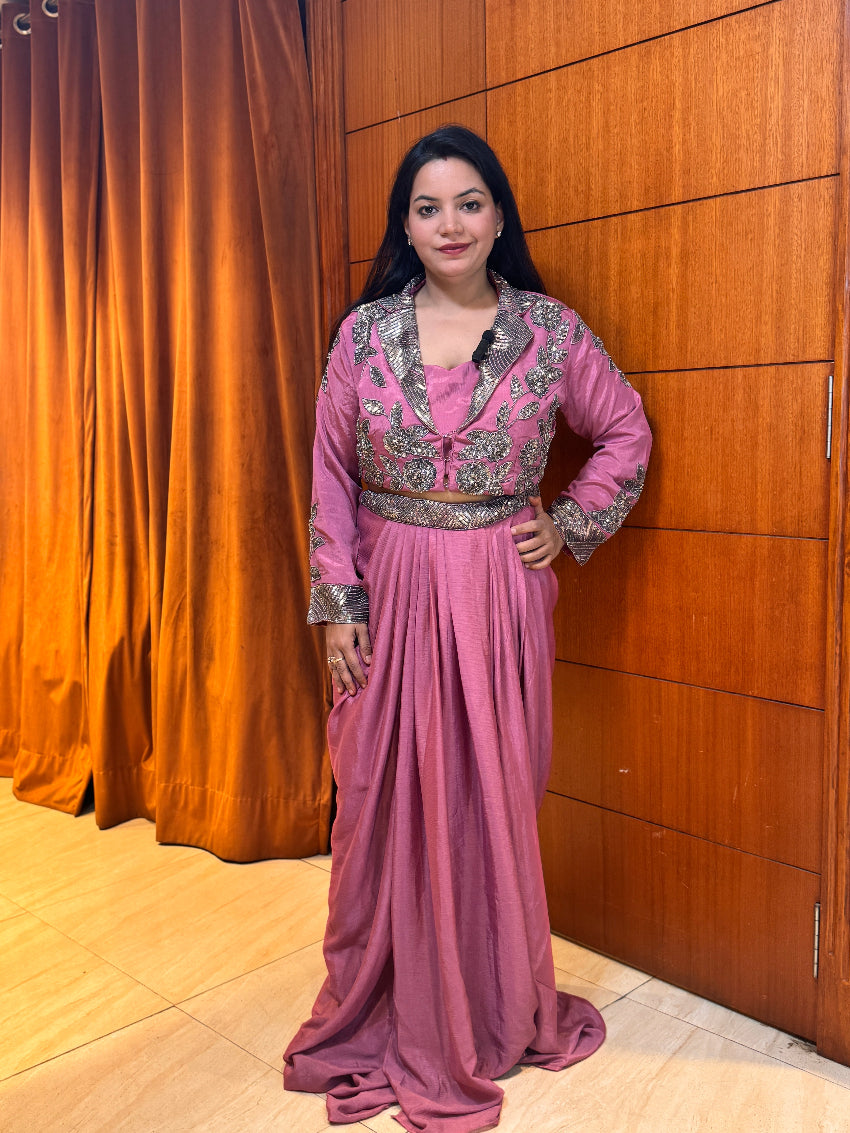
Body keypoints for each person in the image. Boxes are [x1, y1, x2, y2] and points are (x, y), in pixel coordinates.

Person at [284, 125, 652, 1132]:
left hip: (497, 586)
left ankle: (490, 1003)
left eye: (469, 201)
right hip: (390, 582)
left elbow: (625, 429)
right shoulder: (362, 335)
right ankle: (386, 1001)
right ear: (405, 224)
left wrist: (568, 521)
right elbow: (327, 474)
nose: (449, 223)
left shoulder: (552, 332)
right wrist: (338, 604)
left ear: (499, 216)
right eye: (427, 205)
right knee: (375, 797)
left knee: (491, 792)